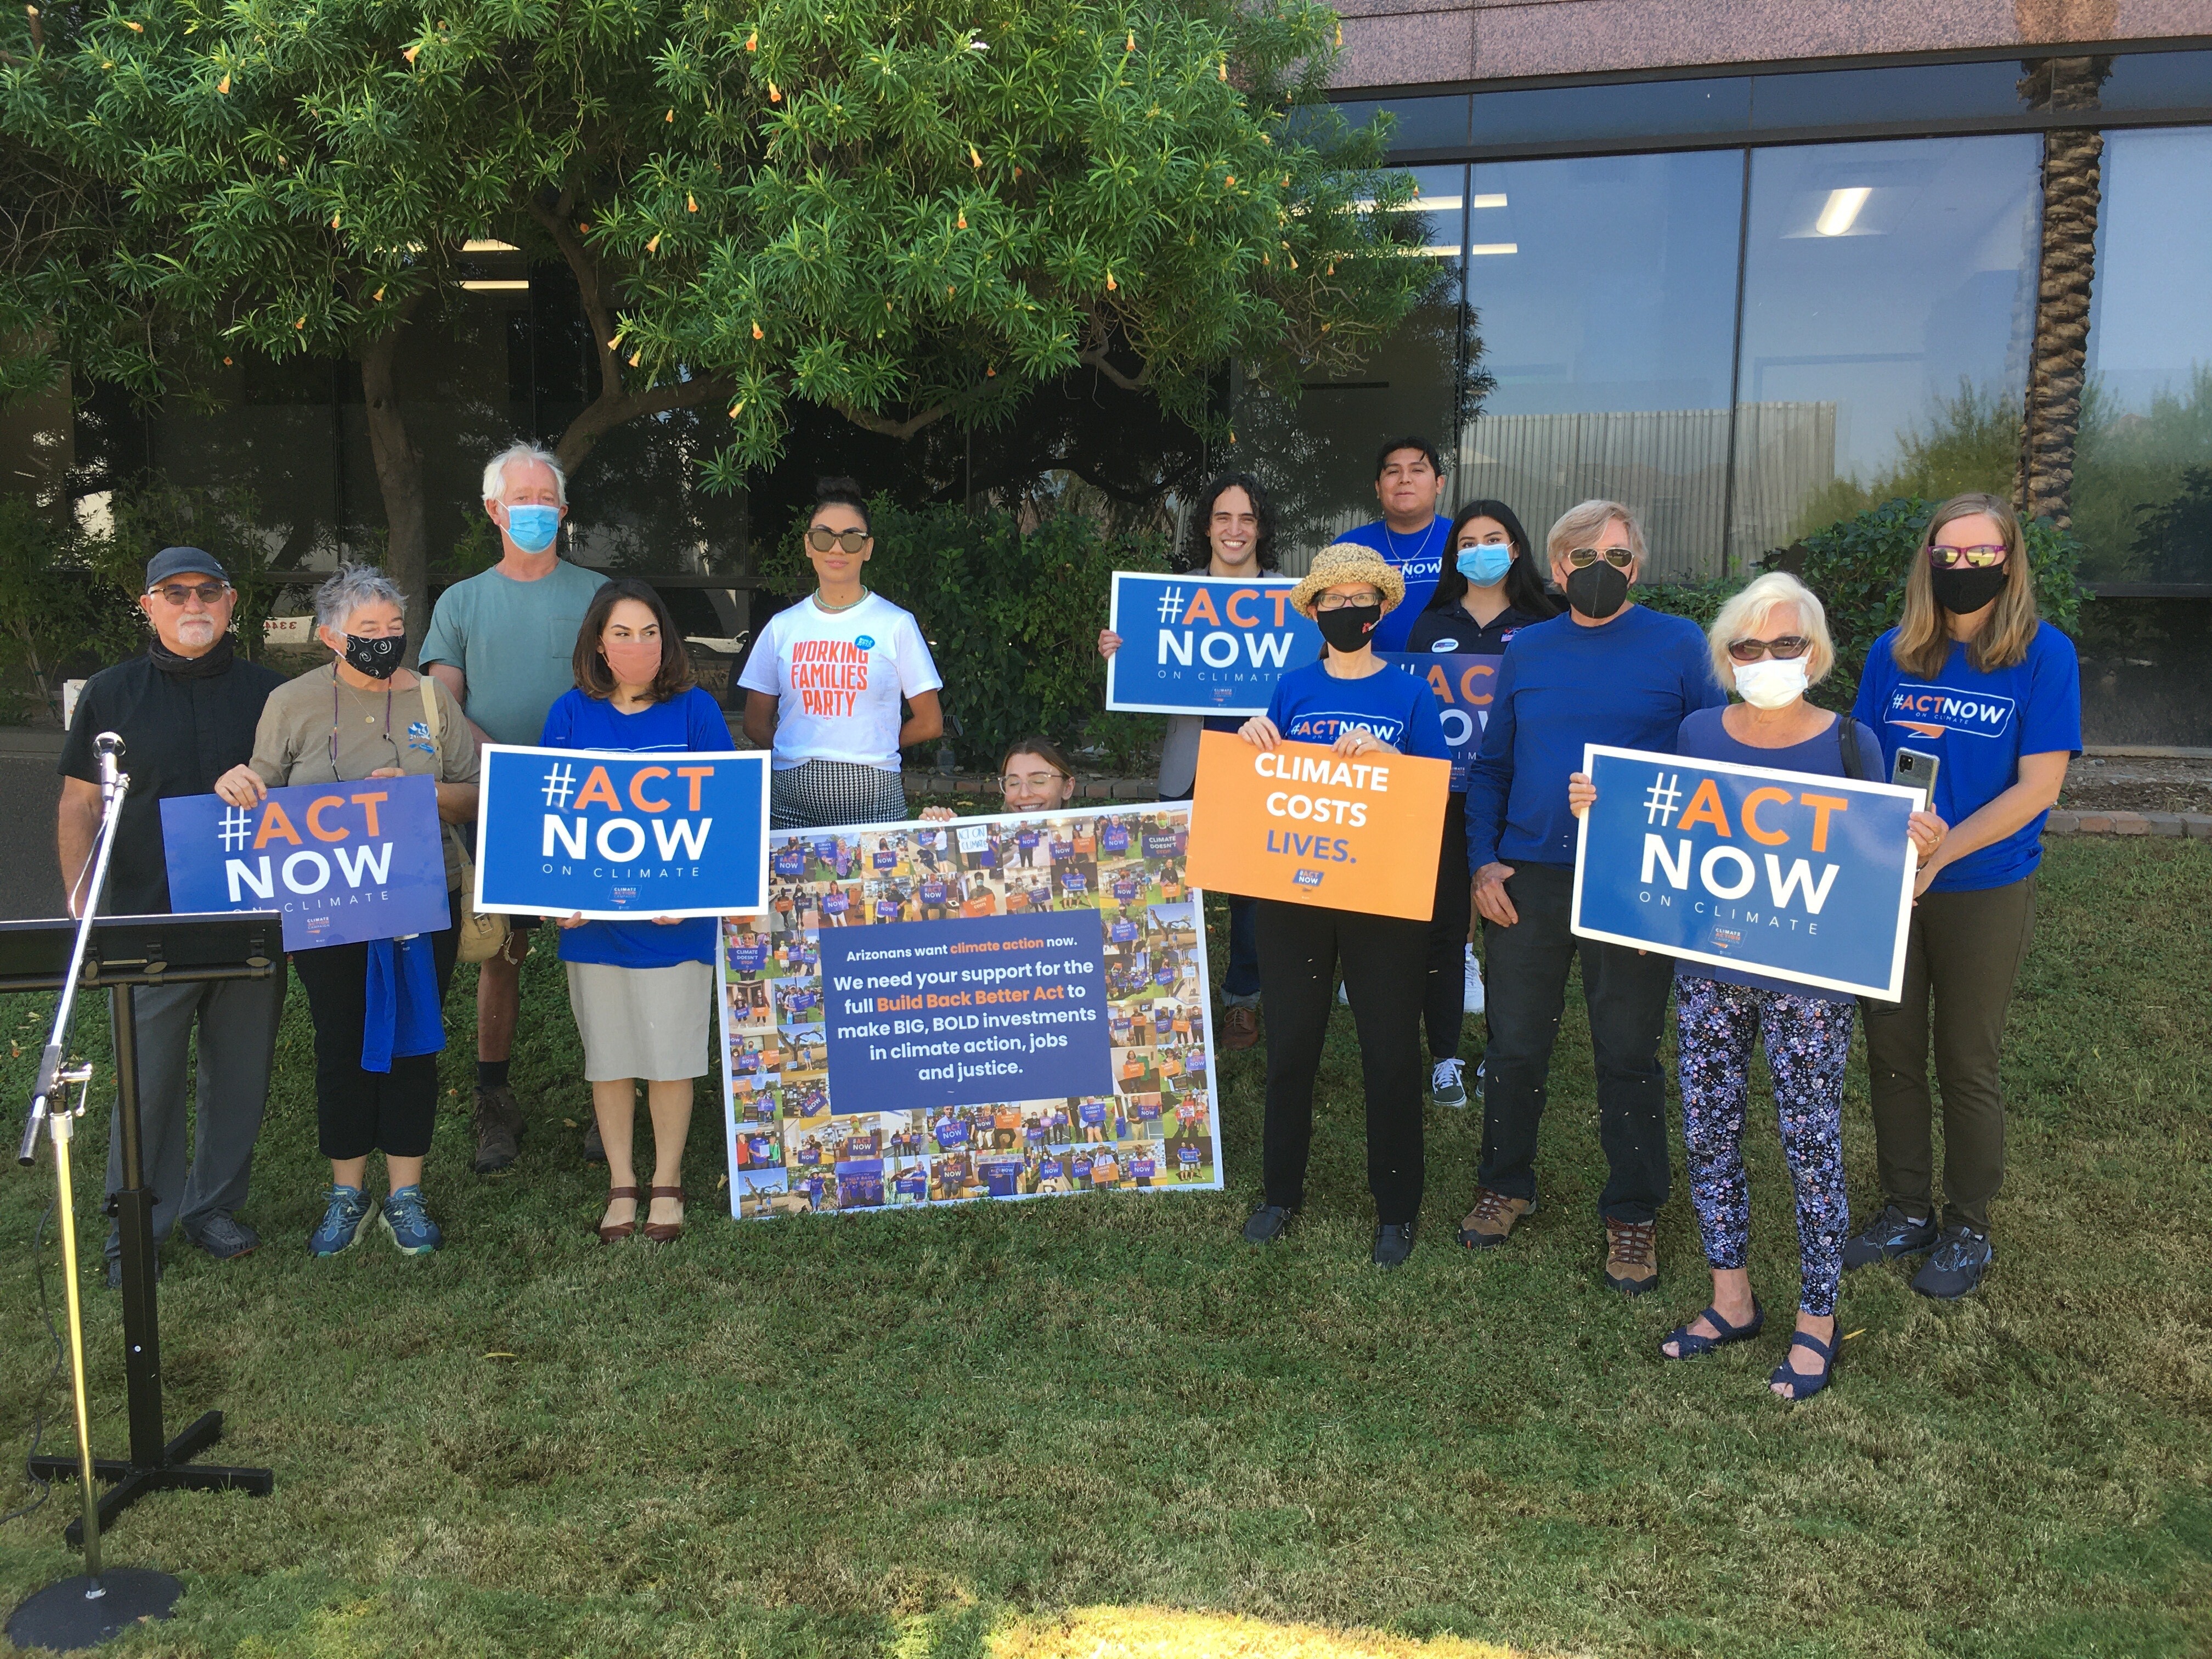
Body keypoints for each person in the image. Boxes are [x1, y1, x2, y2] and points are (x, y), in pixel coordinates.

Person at [1567, 573, 1946, 1399]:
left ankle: (1818, 1319)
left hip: (1810, 983)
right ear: (1726, 656)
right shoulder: (1697, 732)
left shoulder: (1852, 743)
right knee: (1710, 1134)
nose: (1766, 657)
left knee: (1811, 1145)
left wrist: (1918, 849)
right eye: (1747, 645)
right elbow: (1658, 830)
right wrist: (1600, 805)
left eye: (1785, 643)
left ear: (1816, 653)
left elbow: (1878, 874)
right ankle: (1730, 1299)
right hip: (1710, 974)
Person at [1459, 499, 1726, 1295]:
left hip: (1633, 879)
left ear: (1637, 566)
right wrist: (1483, 864)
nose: (1599, 569)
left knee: (1627, 1051)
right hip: (1529, 872)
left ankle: (1634, 1211)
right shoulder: (1530, 649)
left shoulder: (1681, 645)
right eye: (1582, 557)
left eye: (1615, 556)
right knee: (1514, 1045)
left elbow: (1715, 768)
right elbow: (1494, 767)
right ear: (1556, 568)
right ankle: (1505, 1184)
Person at [1844, 492, 2079, 1299]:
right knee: (1892, 1051)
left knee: (1966, 1060)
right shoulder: (1894, 652)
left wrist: (1943, 855)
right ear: (1929, 562)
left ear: (2010, 563)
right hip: (1891, 882)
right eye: (1950, 555)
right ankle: (1906, 1209)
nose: (1965, 568)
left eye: (1983, 555)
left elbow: (2039, 787)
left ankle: (1968, 1224)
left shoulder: (2044, 655)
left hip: (1982, 883)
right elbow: (1861, 761)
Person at [216, 565, 478, 1257]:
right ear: (331, 636)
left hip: (423, 895)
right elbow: (262, 788)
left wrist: (420, 794)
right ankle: (346, 1193)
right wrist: (238, 783)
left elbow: (474, 791)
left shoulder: (432, 699)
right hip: (326, 901)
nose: (384, 640)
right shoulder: (292, 702)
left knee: (414, 1039)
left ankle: (406, 1195)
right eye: (367, 630)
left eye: (394, 627)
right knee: (340, 1039)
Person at [58, 548, 288, 1285]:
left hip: (250, 918)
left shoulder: (272, 695)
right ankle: (135, 1229)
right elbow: (79, 803)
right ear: (149, 606)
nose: (194, 604)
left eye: (208, 592)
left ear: (230, 603)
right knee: (146, 1084)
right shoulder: (110, 694)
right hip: (147, 921)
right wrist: (79, 905)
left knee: (240, 1076)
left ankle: (212, 1207)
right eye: (176, 592)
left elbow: (308, 793)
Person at [1236, 543, 1451, 1268]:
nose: (1349, 609)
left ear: (1381, 609)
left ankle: (1396, 1208)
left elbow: (1437, 793)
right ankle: (1279, 1193)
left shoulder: (1410, 694)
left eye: (1362, 598)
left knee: (1389, 1051)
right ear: (1316, 610)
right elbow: (1262, 784)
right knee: (1291, 1046)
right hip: (1295, 893)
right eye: (1335, 599)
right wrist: (1255, 740)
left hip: (1382, 895)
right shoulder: (1291, 687)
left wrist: (1397, 765)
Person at [420, 441, 607, 1173]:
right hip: (497, 800)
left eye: (545, 500)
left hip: (591, 801)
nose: (534, 511)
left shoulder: (600, 594)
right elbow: (442, 707)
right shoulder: (461, 602)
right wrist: (505, 765)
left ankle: (608, 1094)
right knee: (502, 951)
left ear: (563, 511)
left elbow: (623, 686)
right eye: (520, 499)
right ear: (494, 510)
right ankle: (493, 1099)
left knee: (599, 947)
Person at [540, 579, 733, 1244]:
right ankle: (622, 1181)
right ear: (599, 643)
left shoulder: (696, 711)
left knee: (672, 1057)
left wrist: (693, 893)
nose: (637, 645)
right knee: (610, 1057)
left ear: (666, 640)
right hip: (595, 926)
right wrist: (552, 896)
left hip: (675, 923)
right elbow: (548, 817)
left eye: (649, 633)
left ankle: (667, 1181)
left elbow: (724, 813)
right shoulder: (569, 713)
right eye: (622, 634)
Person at [1098, 472, 1275, 1049]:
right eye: (1223, 517)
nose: (1234, 529)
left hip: (1258, 764)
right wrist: (1121, 652)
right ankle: (1171, 999)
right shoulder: (1168, 599)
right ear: (1206, 527)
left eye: (1247, 518)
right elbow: (1146, 670)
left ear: (1261, 529)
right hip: (1188, 762)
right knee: (1171, 882)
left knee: (1250, 893)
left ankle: (1243, 1001)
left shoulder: (1289, 601)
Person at [1403, 499, 1558, 1110]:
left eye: (1493, 539)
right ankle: (1445, 1056)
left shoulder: (1546, 623)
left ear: (1515, 548)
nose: (1480, 552)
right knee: (1444, 929)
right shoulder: (1430, 624)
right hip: (1440, 798)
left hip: (1519, 800)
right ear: (1454, 556)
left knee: (1512, 933)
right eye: (1467, 543)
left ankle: (1503, 1053)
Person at [741, 476, 945, 829]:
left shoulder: (896, 624)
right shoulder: (782, 627)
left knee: (881, 869)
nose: (837, 549)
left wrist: (871, 747)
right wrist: (799, 751)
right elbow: (754, 723)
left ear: (868, 548)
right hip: (792, 802)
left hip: (875, 801)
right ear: (808, 545)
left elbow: (930, 723)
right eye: (824, 537)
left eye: (851, 539)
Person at [1332, 436, 1452, 653]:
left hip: (1448, 670)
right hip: (1366, 671)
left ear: (1439, 484)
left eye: (1417, 470)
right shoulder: (1348, 548)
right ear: (1378, 488)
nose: (1405, 479)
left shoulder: (1462, 540)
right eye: (1393, 472)